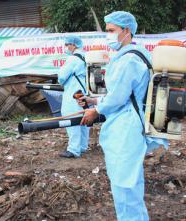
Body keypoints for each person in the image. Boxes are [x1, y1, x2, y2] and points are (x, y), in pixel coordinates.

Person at [79, 11, 167, 220]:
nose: (108, 35)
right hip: (129, 121)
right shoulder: (138, 54)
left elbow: (118, 97)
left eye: (111, 30)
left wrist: (96, 110)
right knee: (130, 181)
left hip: (126, 128)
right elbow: (126, 95)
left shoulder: (128, 60)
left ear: (127, 31)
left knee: (124, 183)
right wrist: (95, 101)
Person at [58, 36, 90, 158]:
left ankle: (73, 150)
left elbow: (61, 77)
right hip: (85, 93)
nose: (66, 47)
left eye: (67, 44)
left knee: (71, 119)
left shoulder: (72, 59)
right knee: (84, 119)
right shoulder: (85, 57)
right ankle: (82, 147)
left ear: (73, 45)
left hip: (73, 93)